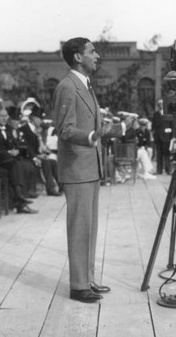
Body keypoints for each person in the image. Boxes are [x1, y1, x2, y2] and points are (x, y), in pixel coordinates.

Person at [52, 37, 133, 303]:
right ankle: (78, 286)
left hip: (90, 167)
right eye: (92, 51)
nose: (97, 55)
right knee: (79, 227)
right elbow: (64, 130)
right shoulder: (67, 86)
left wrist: (112, 130)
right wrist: (90, 136)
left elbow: (91, 125)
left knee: (89, 228)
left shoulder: (85, 85)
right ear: (78, 57)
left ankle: (86, 279)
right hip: (77, 168)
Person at [0, 105, 38, 214]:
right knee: (17, 166)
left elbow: (16, 144)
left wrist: (17, 150)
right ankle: (19, 198)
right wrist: (9, 152)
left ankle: (19, 199)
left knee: (23, 166)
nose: (5, 118)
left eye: (6, 116)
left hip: (10, 160)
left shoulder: (9, 129)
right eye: (2, 116)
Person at [151, 98, 172, 175]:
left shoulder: (168, 114)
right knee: (159, 154)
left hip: (167, 137)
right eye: (159, 104)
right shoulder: (155, 114)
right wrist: (154, 134)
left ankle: (168, 169)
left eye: (161, 104)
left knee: (167, 154)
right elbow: (153, 126)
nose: (160, 105)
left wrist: (172, 136)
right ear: (157, 105)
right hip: (158, 137)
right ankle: (159, 170)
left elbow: (171, 124)